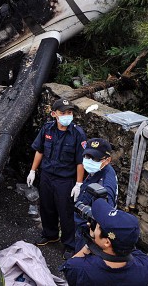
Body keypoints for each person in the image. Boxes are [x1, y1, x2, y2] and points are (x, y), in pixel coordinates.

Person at [27, 98, 86, 259]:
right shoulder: (47, 129)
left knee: (65, 212)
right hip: (46, 176)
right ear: (54, 114)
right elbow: (39, 150)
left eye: (70, 112)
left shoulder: (77, 134)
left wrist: (79, 183)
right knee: (46, 207)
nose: (67, 115)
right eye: (63, 113)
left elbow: (80, 161)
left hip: (65, 180)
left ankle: (69, 244)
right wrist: (33, 170)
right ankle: (50, 234)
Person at [61, 199, 148, 285]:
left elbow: (68, 267)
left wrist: (89, 243)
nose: (94, 228)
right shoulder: (147, 266)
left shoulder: (80, 269)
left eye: (97, 227)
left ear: (107, 242)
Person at [74, 138, 118, 252]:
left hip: (89, 233)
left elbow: (104, 217)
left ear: (107, 160)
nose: (89, 160)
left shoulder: (105, 184)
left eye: (95, 158)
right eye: (87, 156)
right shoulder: (97, 170)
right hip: (81, 225)